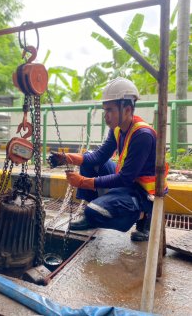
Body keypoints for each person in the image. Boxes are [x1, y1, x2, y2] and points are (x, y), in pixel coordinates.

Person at [48, 77, 168, 241]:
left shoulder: (143, 136)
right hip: (127, 184)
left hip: (144, 192)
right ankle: (94, 212)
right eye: (105, 110)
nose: (106, 116)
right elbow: (99, 156)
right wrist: (66, 158)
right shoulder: (117, 128)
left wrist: (83, 182)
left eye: (110, 110)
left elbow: (125, 178)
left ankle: (145, 215)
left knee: (94, 212)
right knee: (91, 163)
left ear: (127, 110)